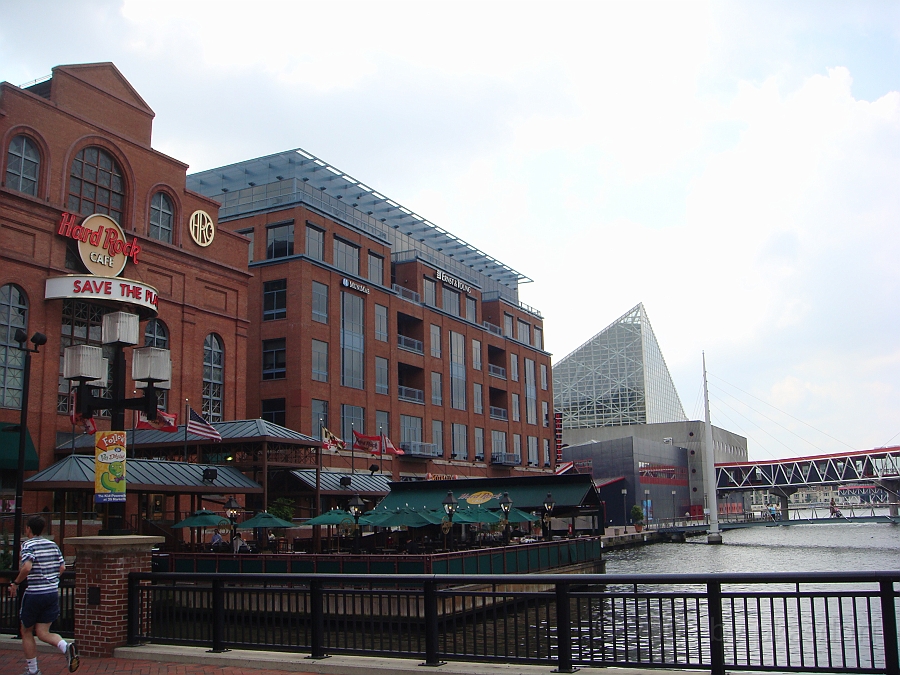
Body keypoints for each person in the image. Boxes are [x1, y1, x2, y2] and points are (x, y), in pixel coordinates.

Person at [6, 515, 79, 674]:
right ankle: (65, 646)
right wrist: (51, 580)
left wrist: (16, 583)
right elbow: (62, 568)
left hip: (34, 593)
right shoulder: (53, 545)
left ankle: (33, 670)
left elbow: (26, 568)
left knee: (26, 631)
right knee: (43, 632)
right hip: (52, 593)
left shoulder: (28, 544)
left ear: (28, 529)